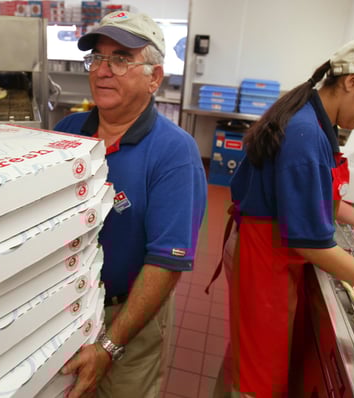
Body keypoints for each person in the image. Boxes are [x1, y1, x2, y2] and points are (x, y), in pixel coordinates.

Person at [214, 36, 354, 397]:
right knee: (257, 377)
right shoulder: (305, 134)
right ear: (351, 81)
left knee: (248, 357)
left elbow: (307, 194)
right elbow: (314, 245)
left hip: (267, 251)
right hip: (264, 263)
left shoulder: (312, 115)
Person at [53, 10, 208, 398]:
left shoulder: (175, 153)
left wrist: (109, 347)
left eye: (121, 59)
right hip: (60, 310)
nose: (103, 70)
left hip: (124, 317)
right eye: (98, 58)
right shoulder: (67, 133)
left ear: (154, 78)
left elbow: (167, 262)